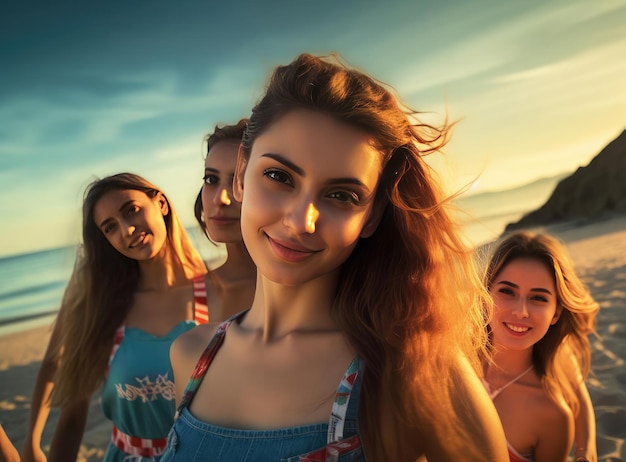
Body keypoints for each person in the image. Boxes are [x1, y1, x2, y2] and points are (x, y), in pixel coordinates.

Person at [162, 53, 508, 461]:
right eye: (279, 177)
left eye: (341, 196)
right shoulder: (190, 355)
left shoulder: (411, 373)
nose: (300, 221)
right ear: (241, 174)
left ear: (373, 214)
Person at [21, 173, 209, 461]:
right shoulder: (105, 309)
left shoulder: (217, 293)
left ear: (160, 203)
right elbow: (72, 415)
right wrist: (32, 443)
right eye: (110, 227)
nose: (126, 229)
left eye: (131, 210)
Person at [481, 231, 599, 462]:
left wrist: (586, 452)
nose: (520, 311)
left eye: (538, 298)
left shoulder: (550, 413)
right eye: (507, 291)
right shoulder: (451, 356)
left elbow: (578, 392)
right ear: (486, 293)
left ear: (555, 313)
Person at [192, 119, 257, 322]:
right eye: (211, 179)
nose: (220, 199)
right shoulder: (190, 295)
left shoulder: (314, 286)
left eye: (241, 181)